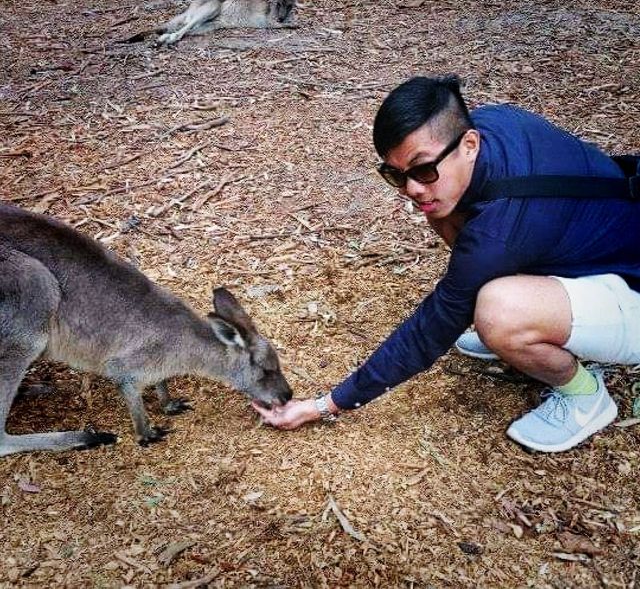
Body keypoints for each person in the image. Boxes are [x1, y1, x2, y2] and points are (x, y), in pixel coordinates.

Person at [252, 74, 640, 453]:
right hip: (599, 241)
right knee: (440, 209)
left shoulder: (499, 230)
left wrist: (325, 405)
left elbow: (428, 331)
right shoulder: (487, 124)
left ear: (469, 144)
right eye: (396, 175)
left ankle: (586, 398)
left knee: (499, 311)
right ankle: (542, 320)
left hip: (630, 290)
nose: (412, 189)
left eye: (423, 169)